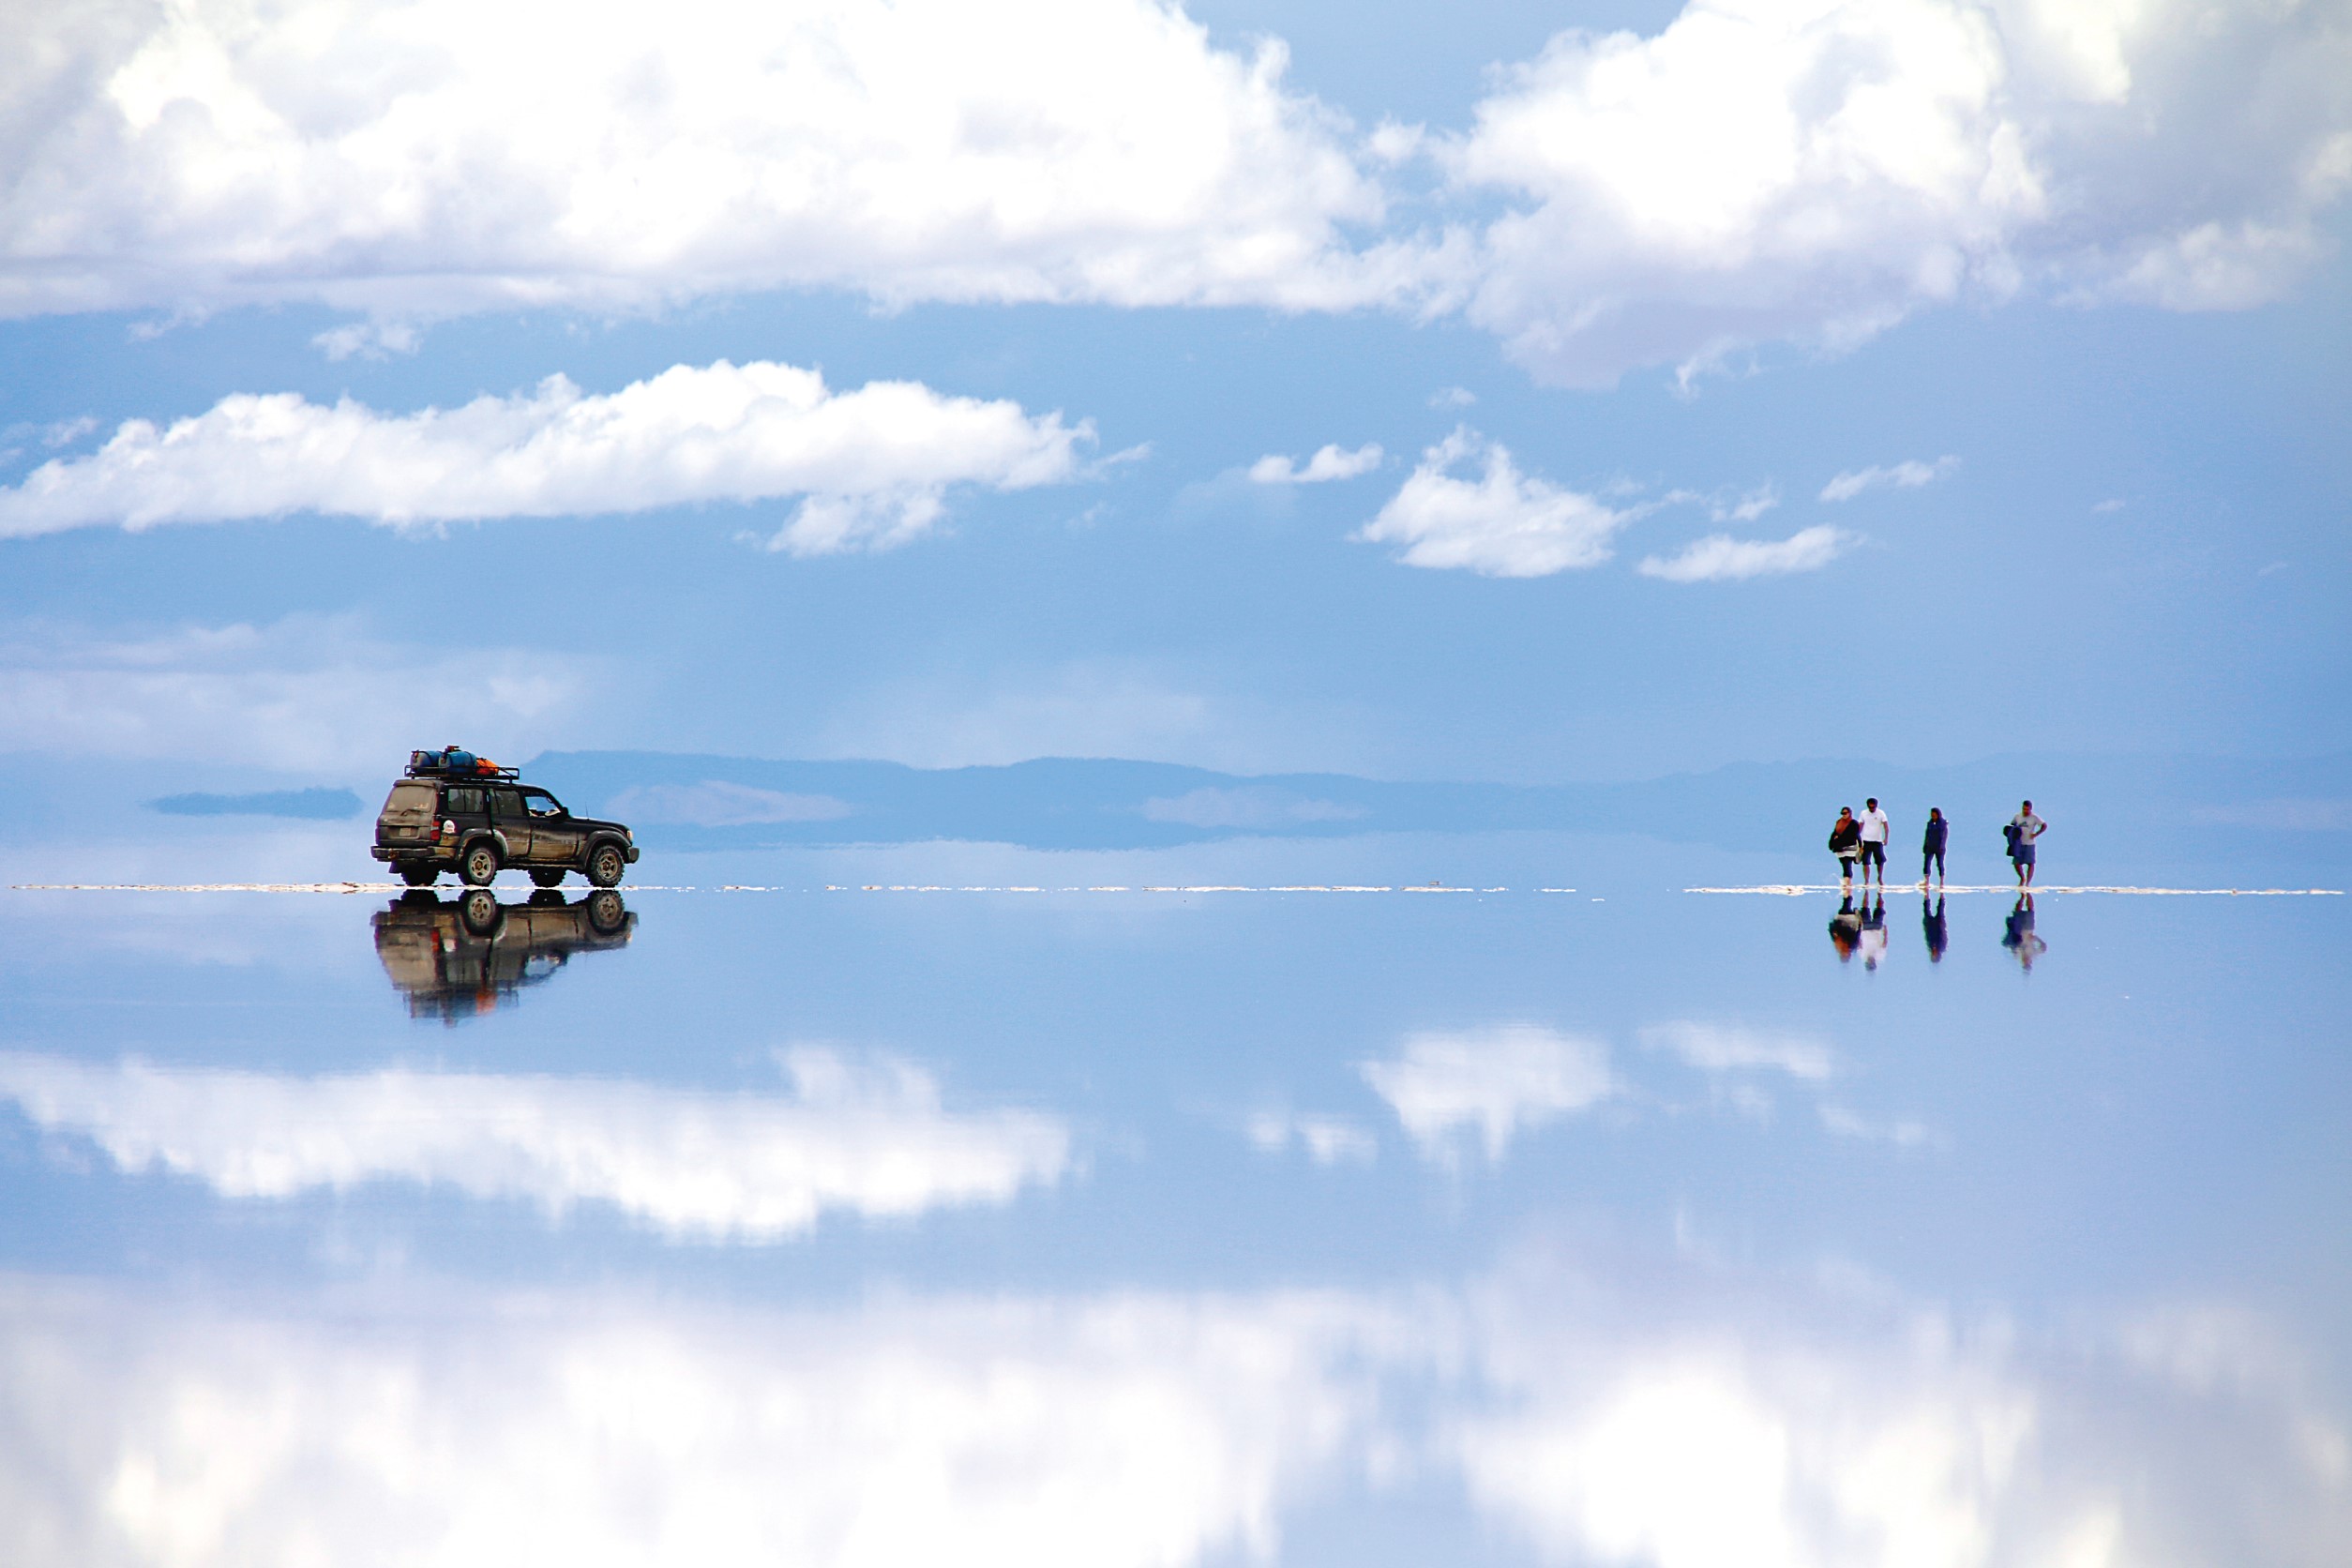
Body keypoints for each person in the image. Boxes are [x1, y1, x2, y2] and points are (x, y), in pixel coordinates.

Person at [2002, 893, 2045, 971]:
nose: (2027, 961)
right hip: (2028, 930)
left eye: (2026, 963)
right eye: (2028, 963)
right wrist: (2035, 938)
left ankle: (2024, 895)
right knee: (2028, 910)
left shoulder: (2017, 954)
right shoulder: (2033, 954)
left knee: (2021, 911)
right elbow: (2043, 947)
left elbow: (2011, 945)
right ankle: (2025, 894)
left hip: (2019, 930)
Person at [2009, 800, 2046, 886]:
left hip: (2029, 843)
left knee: (2030, 863)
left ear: (2030, 809)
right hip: (2019, 843)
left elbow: (2044, 825)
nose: (2025, 811)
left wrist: (2036, 834)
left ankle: (2028, 883)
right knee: (2016, 863)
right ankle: (2022, 878)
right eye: (2024, 809)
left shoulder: (2034, 817)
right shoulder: (2018, 816)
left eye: (2027, 809)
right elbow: (2011, 826)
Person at [1857, 797, 1891, 887]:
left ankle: (1880, 878)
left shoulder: (1881, 813)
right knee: (1866, 862)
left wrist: (1886, 838)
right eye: (1870, 807)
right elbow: (1860, 826)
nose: (1872, 809)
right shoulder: (1863, 813)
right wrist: (1857, 838)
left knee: (1880, 861)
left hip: (1877, 841)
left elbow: (1886, 827)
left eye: (1873, 807)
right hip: (1866, 841)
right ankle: (1866, 881)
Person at [1829, 807, 1862, 887]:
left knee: (1847, 864)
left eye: (1845, 813)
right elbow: (1835, 833)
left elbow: (1855, 834)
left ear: (1849, 813)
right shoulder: (1839, 822)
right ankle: (1846, 882)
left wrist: (1860, 845)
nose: (1844, 815)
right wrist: (1831, 843)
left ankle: (1847, 882)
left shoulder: (1854, 823)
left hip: (1850, 847)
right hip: (1839, 847)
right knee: (1844, 864)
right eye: (1842, 813)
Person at [1858, 893, 1888, 970]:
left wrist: (1858, 928)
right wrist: (1885, 931)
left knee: (1865, 909)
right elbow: (1884, 943)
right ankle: (1879, 894)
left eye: (1869, 963)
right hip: (1876, 929)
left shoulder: (1863, 955)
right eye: (1872, 963)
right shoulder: (1880, 956)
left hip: (1866, 929)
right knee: (1879, 909)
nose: (1871, 962)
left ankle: (1866, 890)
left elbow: (1859, 943)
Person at [1920, 807, 1948, 888]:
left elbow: (1943, 836)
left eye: (1935, 815)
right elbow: (1927, 835)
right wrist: (1925, 845)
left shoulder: (1943, 824)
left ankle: (1941, 882)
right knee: (1927, 863)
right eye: (1932, 815)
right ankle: (1926, 881)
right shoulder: (1930, 823)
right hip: (1930, 847)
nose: (1933, 817)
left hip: (1939, 848)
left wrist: (1941, 846)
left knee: (1939, 864)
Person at [1829, 894, 1861, 962]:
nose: (1844, 952)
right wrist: (1858, 917)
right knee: (1847, 903)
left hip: (1843, 920)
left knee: (1847, 902)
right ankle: (1848, 890)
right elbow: (1858, 932)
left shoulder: (1839, 945)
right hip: (1849, 921)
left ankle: (1848, 890)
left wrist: (1832, 925)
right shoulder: (1852, 945)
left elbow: (1833, 933)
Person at [1922, 893, 1948, 962]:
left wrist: (1926, 925)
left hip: (1931, 926)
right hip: (1938, 926)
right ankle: (1941, 891)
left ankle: (1926, 892)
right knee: (1940, 908)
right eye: (1934, 956)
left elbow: (1927, 936)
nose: (1933, 954)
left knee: (1926, 909)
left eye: (1932, 956)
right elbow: (1943, 935)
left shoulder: (1930, 946)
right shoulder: (1942, 946)